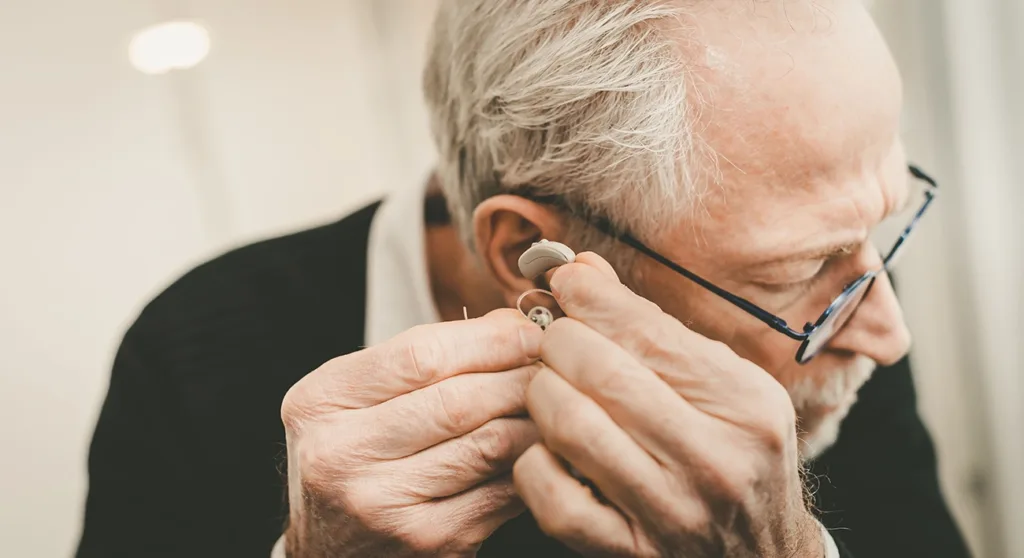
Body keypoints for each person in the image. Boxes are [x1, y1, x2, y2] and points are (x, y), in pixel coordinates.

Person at [77, 1, 972, 557]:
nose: (889, 334)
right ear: (528, 258)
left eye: (879, 232)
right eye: (799, 268)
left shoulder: (838, 331)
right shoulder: (192, 355)